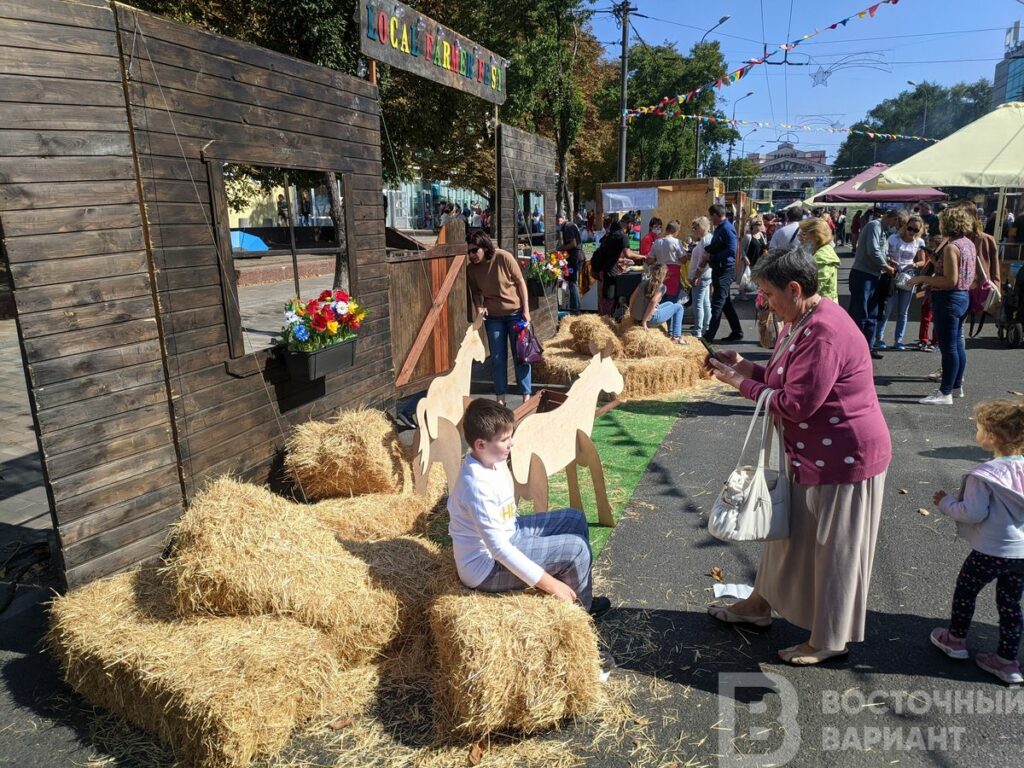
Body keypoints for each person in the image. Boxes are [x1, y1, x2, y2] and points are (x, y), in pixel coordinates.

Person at [706, 247, 892, 665]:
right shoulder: (804, 318)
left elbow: (796, 403)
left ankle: (830, 638)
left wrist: (738, 382)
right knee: (786, 534)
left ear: (794, 288)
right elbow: (782, 375)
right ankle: (758, 604)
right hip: (813, 454)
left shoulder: (824, 330)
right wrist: (745, 366)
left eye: (768, 294)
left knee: (834, 549)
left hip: (844, 459)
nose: (764, 302)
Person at [447, 398, 611, 617]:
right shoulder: (476, 486)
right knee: (576, 549)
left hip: (510, 533)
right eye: (505, 439)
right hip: (486, 568)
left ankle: (578, 591)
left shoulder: (487, 459)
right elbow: (499, 550)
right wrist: (551, 584)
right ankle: (582, 614)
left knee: (575, 519)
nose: (511, 443)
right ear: (480, 444)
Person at [929, 399, 1024, 685]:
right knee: (1010, 604)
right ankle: (1007, 661)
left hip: (990, 550)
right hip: (1021, 554)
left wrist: (945, 502)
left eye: (979, 429)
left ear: (992, 437)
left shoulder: (984, 476)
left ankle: (955, 639)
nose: (977, 433)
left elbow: (972, 513)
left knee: (966, 591)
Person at [907, 206, 977, 405]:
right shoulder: (968, 243)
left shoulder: (951, 247)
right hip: (963, 297)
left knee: (949, 348)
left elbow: (949, 280)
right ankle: (955, 387)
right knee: (956, 345)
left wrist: (924, 279)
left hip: (949, 298)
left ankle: (945, 392)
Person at [465, 230, 532, 406]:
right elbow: (475, 293)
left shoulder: (503, 257)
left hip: (516, 314)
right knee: (497, 359)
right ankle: (500, 398)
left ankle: (526, 396)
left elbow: (520, 282)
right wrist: (479, 309)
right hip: (493, 318)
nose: (471, 255)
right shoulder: (471, 270)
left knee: (521, 356)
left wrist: (526, 310)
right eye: (469, 251)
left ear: (484, 247)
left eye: (474, 250)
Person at [849, 208, 898, 359]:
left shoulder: (882, 230)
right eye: (897, 222)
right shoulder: (874, 226)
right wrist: (886, 266)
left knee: (872, 314)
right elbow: (873, 251)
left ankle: (868, 347)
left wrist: (888, 260)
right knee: (860, 313)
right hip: (863, 275)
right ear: (891, 217)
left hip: (874, 275)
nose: (896, 226)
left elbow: (879, 251)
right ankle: (854, 350)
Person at [874, 214, 925, 350]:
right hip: (892, 276)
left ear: (919, 231)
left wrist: (914, 265)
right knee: (887, 309)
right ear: (905, 226)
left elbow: (923, 261)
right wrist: (890, 261)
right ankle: (879, 338)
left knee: (903, 311)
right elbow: (884, 253)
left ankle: (899, 340)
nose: (912, 232)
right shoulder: (894, 238)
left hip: (908, 278)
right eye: (910, 228)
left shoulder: (919, 242)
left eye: (915, 230)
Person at [704, 203, 743, 343]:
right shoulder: (722, 228)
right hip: (721, 268)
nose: (710, 219)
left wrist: (712, 257)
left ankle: (709, 336)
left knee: (718, 303)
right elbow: (722, 246)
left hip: (724, 270)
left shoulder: (726, 228)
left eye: (711, 216)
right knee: (725, 303)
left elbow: (732, 250)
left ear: (716, 215)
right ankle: (737, 332)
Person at [628, 264, 685, 342]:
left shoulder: (643, 282)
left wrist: (631, 312)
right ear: (665, 275)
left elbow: (632, 297)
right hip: (650, 320)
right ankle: (676, 337)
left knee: (670, 304)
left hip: (637, 317)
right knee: (679, 307)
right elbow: (653, 302)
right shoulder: (662, 287)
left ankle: (671, 332)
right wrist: (644, 321)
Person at [591, 219, 633, 316]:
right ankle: (606, 319)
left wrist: (623, 261)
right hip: (608, 272)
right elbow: (628, 254)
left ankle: (605, 317)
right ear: (628, 224)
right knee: (608, 298)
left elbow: (611, 256)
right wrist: (643, 257)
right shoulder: (621, 236)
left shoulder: (610, 236)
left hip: (603, 271)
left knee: (606, 297)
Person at [798, 217, 840, 303]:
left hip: (823, 306)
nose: (801, 238)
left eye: (804, 234)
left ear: (816, 235)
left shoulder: (822, 256)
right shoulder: (821, 250)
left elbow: (814, 286)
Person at [648, 220, 687, 302]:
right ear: (675, 231)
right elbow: (683, 260)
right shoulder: (677, 242)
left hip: (659, 273)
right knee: (671, 300)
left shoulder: (657, 242)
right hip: (673, 275)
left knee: (660, 298)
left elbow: (650, 260)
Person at [688, 216, 713, 338]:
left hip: (701, 275)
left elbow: (703, 261)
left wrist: (696, 276)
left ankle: (698, 330)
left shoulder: (705, 240)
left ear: (702, 227)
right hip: (705, 275)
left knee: (698, 303)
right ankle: (706, 327)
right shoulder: (706, 239)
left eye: (695, 228)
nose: (693, 230)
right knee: (705, 302)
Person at [737, 217, 768, 299]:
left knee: (759, 278)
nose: (760, 226)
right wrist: (745, 257)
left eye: (761, 224)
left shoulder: (761, 235)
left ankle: (760, 294)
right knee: (746, 278)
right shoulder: (748, 236)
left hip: (760, 260)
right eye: (758, 224)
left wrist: (766, 250)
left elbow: (764, 245)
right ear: (753, 226)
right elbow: (741, 248)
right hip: (750, 260)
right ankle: (742, 293)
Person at [557, 213, 582, 313]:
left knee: (572, 283)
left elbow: (573, 244)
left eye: (559, 221)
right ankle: (574, 306)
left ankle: (575, 308)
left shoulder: (568, 227)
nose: (558, 224)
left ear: (563, 219)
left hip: (574, 258)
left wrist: (559, 248)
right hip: (574, 257)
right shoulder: (569, 226)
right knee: (571, 282)